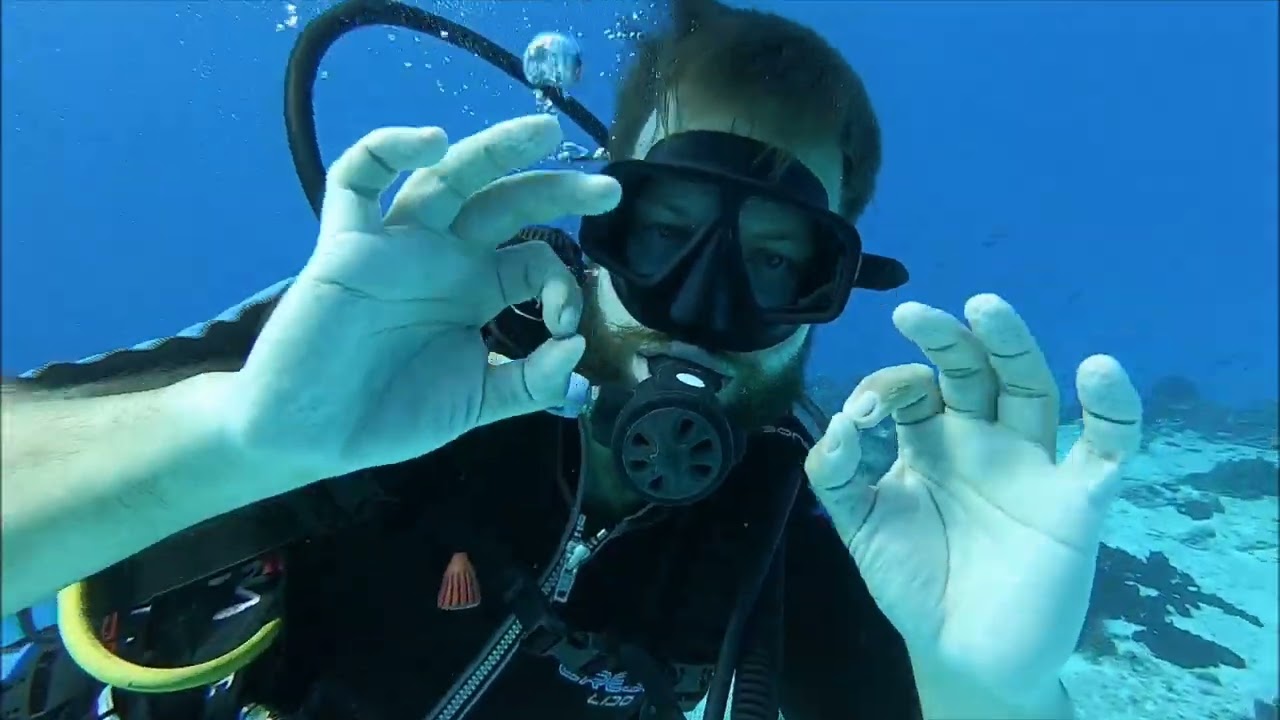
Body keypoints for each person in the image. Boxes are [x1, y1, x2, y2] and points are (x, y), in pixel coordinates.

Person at [0, 0, 1146, 718]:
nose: (696, 310)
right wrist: (232, 439)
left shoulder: (823, 525)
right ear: (592, 221)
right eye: (660, 235)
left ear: (827, 295)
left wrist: (988, 694)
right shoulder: (386, 348)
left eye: (772, 263)